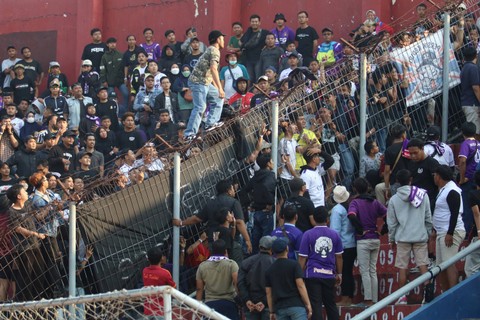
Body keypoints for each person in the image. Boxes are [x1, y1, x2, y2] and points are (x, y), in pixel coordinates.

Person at [173, 179, 252, 263]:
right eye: (232, 188)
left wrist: (181, 223)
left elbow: (197, 218)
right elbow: (239, 222)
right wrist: (247, 240)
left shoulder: (210, 204)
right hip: (232, 242)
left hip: (214, 244)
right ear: (228, 190)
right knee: (235, 267)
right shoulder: (234, 203)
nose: (234, 190)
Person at [387, 169, 433, 304]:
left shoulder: (394, 199)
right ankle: (427, 293)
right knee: (423, 264)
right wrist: (428, 233)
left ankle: (402, 297)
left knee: (402, 267)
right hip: (420, 235)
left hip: (402, 237)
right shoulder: (422, 195)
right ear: (410, 179)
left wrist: (391, 239)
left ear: (397, 182)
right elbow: (428, 217)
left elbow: (392, 223)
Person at [298, 206, 343, 320]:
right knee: (331, 305)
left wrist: (298, 275)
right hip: (329, 275)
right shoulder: (335, 235)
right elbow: (339, 256)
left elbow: (302, 258)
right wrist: (339, 273)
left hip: (312, 274)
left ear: (313, 219)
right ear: (327, 219)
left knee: (315, 306)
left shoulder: (307, 234)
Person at [348, 177, 387, 306]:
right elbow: (388, 215)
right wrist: (382, 231)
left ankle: (368, 300)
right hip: (375, 238)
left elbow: (352, 216)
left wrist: (360, 230)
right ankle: (374, 300)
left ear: (355, 189)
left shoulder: (355, 202)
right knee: (372, 270)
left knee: (365, 271)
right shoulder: (375, 202)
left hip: (363, 240)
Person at [184, 30, 226, 141]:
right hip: (198, 82)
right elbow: (213, 69)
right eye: (222, 38)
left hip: (205, 82)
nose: (223, 41)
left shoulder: (211, 50)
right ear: (218, 39)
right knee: (200, 107)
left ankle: (210, 123)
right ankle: (189, 134)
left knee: (218, 98)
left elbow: (210, 73)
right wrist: (220, 88)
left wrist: (217, 90)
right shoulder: (215, 50)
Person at [7, 184, 46, 301]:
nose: (27, 192)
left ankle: (39, 298)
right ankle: (26, 302)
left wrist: (51, 208)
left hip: (35, 245)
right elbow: (18, 229)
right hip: (23, 249)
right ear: (19, 196)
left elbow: (38, 217)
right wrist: (35, 234)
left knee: (40, 272)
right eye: (24, 191)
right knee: (26, 276)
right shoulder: (11, 211)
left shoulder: (28, 205)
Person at [432, 165, 466, 292]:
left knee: (449, 264)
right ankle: (445, 294)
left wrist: (450, 233)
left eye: (435, 175)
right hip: (442, 231)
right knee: (441, 266)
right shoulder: (444, 189)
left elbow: (454, 212)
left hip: (450, 231)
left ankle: (452, 293)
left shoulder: (452, 190)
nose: (434, 178)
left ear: (439, 176)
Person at [265, 238, 312, 319]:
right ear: (287, 249)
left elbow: (269, 293)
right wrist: (308, 304)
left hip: (280, 307)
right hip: (296, 305)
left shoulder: (269, 270)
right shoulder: (294, 265)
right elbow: (300, 286)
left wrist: (271, 311)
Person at [196, 239, 239, 320]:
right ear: (225, 251)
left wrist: (198, 307)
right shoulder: (231, 264)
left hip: (209, 305)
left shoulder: (202, 266)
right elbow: (237, 284)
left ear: (211, 251)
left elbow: (199, 289)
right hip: (229, 304)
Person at [238, 235, 276, 320]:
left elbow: (240, 283)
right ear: (271, 249)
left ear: (259, 247)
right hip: (268, 306)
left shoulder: (246, 262)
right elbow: (276, 286)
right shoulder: (275, 263)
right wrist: (264, 301)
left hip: (250, 306)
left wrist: (247, 300)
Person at [244, 155, 277, 254]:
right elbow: (267, 188)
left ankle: (255, 258)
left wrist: (252, 203)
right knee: (266, 241)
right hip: (266, 212)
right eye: (271, 160)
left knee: (256, 239)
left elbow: (246, 189)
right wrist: (270, 203)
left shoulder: (256, 176)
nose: (273, 162)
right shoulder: (270, 175)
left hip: (257, 211)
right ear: (268, 163)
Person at [330, 185, 356, 306]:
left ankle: (345, 298)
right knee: (348, 272)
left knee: (344, 272)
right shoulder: (351, 206)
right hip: (352, 243)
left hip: (342, 245)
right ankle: (349, 297)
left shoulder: (337, 209)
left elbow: (335, 231)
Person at [142, 246, 176, 320]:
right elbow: (173, 288)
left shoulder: (145, 271)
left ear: (148, 259)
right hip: (161, 311)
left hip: (147, 310)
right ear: (161, 258)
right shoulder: (165, 273)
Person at [458, 122, 480, 234]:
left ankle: (466, 235)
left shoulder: (465, 144)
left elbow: (462, 161)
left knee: (467, 207)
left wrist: (462, 178)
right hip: (477, 179)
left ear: (462, 132)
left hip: (468, 180)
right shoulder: (478, 143)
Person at [100, 37, 129, 115]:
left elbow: (125, 67)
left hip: (120, 80)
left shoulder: (120, 54)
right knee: (110, 96)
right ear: (107, 45)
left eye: (114, 43)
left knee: (126, 93)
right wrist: (104, 81)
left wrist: (125, 78)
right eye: (111, 43)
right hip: (109, 82)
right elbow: (102, 69)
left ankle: (124, 112)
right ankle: (111, 112)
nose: (113, 44)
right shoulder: (104, 56)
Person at [240, 14, 269, 81]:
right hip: (248, 59)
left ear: (259, 23)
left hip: (259, 59)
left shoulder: (265, 33)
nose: (254, 23)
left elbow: (270, 41)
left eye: (256, 21)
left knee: (258, 77)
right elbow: (241, 42)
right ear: (250, 23)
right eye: (253, 22)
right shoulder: (248, 33)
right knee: (249, 78)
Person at [460, 46, 480, 135]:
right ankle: (475, 149)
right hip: (472, 104)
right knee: (474, 132)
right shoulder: (473, 68)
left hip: (468, 103)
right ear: (476, 55)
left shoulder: (465, 67)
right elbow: (476, 88)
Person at [465, 170, 480, 278]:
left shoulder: (473, 194)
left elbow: (477, 213)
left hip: (478, 236)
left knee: (470, 269)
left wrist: (479, 232)